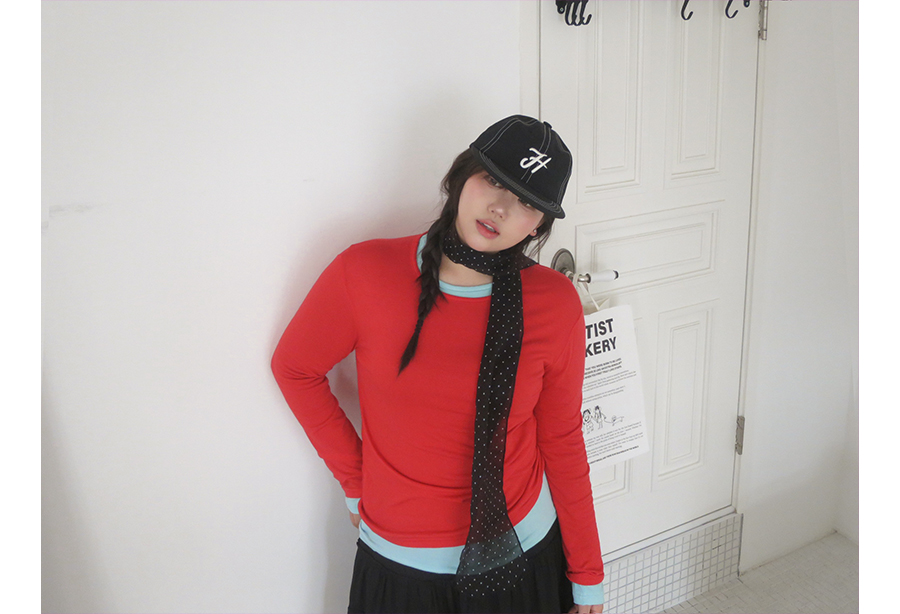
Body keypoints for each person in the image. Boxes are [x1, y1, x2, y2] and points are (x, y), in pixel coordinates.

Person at [271, 115, 605, 613]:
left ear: (538, 225)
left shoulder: (555, 302)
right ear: (460, 176)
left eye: (527, 203)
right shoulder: (365, 272)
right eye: (493, 180)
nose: (501, 208)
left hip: (523, 554)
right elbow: (295, 368)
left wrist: (588, 574)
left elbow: (561, 437)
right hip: (400, 565)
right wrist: (356, 482)